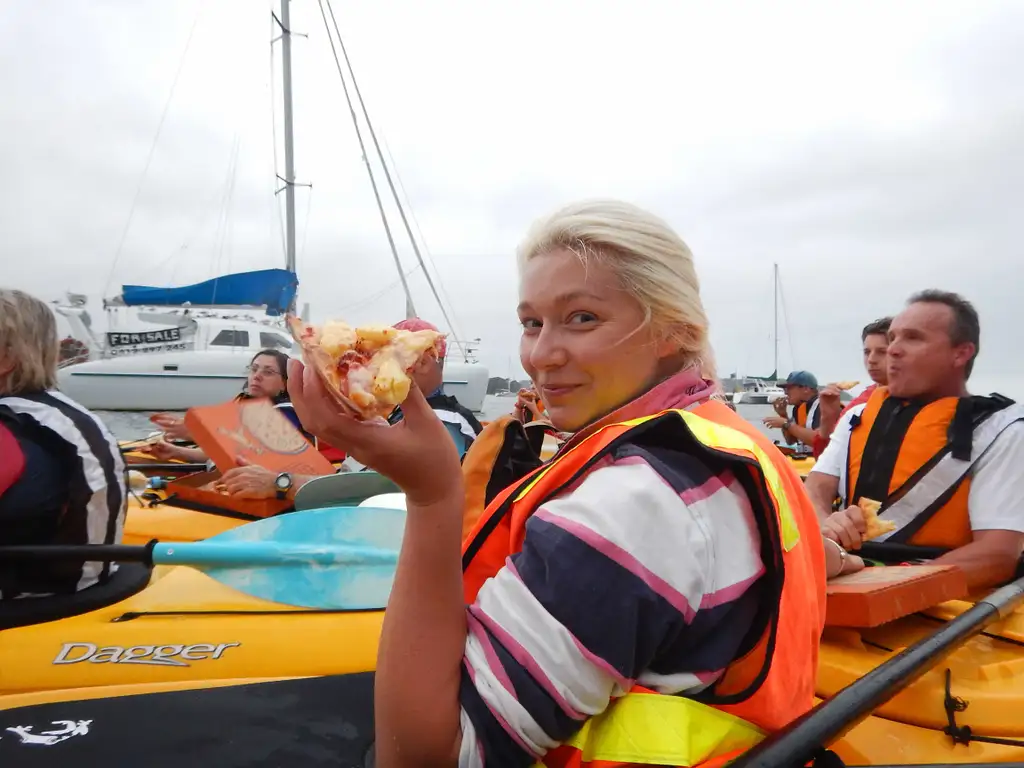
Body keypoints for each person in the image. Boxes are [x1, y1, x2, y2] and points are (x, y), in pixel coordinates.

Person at [289, 200, 835, 766]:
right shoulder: (733, 445)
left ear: (675, 330)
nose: (540, 356)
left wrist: (431, 494)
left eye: (582, 318)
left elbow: (429, 757)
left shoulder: (638, 501)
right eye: (532, 323)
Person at [806, 290, 1024, 590]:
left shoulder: (1003, 431)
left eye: (913, 338)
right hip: (847, 569)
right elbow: (815, 488)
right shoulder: (859, 415)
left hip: (932, 591)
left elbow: (997, 554)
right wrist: (823, 523)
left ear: (960, 353)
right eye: (893, 337)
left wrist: (887, 586)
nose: (893, 350)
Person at [0, 288, 126, 599]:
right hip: (78, 583)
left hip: (29, 595)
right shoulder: (54, 412)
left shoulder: (11, 427)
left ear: (6, 358)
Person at [147, 349, 337, 501]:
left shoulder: (289, 413)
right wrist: (177, 452)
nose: (257, 376)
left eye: (268, 372)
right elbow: (230, 453)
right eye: (254, 369)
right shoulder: (244, 406)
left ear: (284, 384)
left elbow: (257, 455)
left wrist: (198, 434)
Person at [386, 317, 483, 459]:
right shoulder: (414, 412)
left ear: (423, 363)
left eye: (391, 360)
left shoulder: (444, 423)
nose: (384, 369)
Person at [810, 317, 891, 458]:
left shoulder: (921, 399)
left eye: (881, 352)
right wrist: (828, 418)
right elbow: (826, 460)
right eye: (867, 352)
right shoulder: (860, 402)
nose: (871, 359)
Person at [763, 370, 820, 447]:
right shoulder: (798, 408)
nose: (786, 392)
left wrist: (786, 423)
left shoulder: (824, 407)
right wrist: (783, 415)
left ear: (806, 389)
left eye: (789, 388)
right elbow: (791, 441)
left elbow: (819, 441)